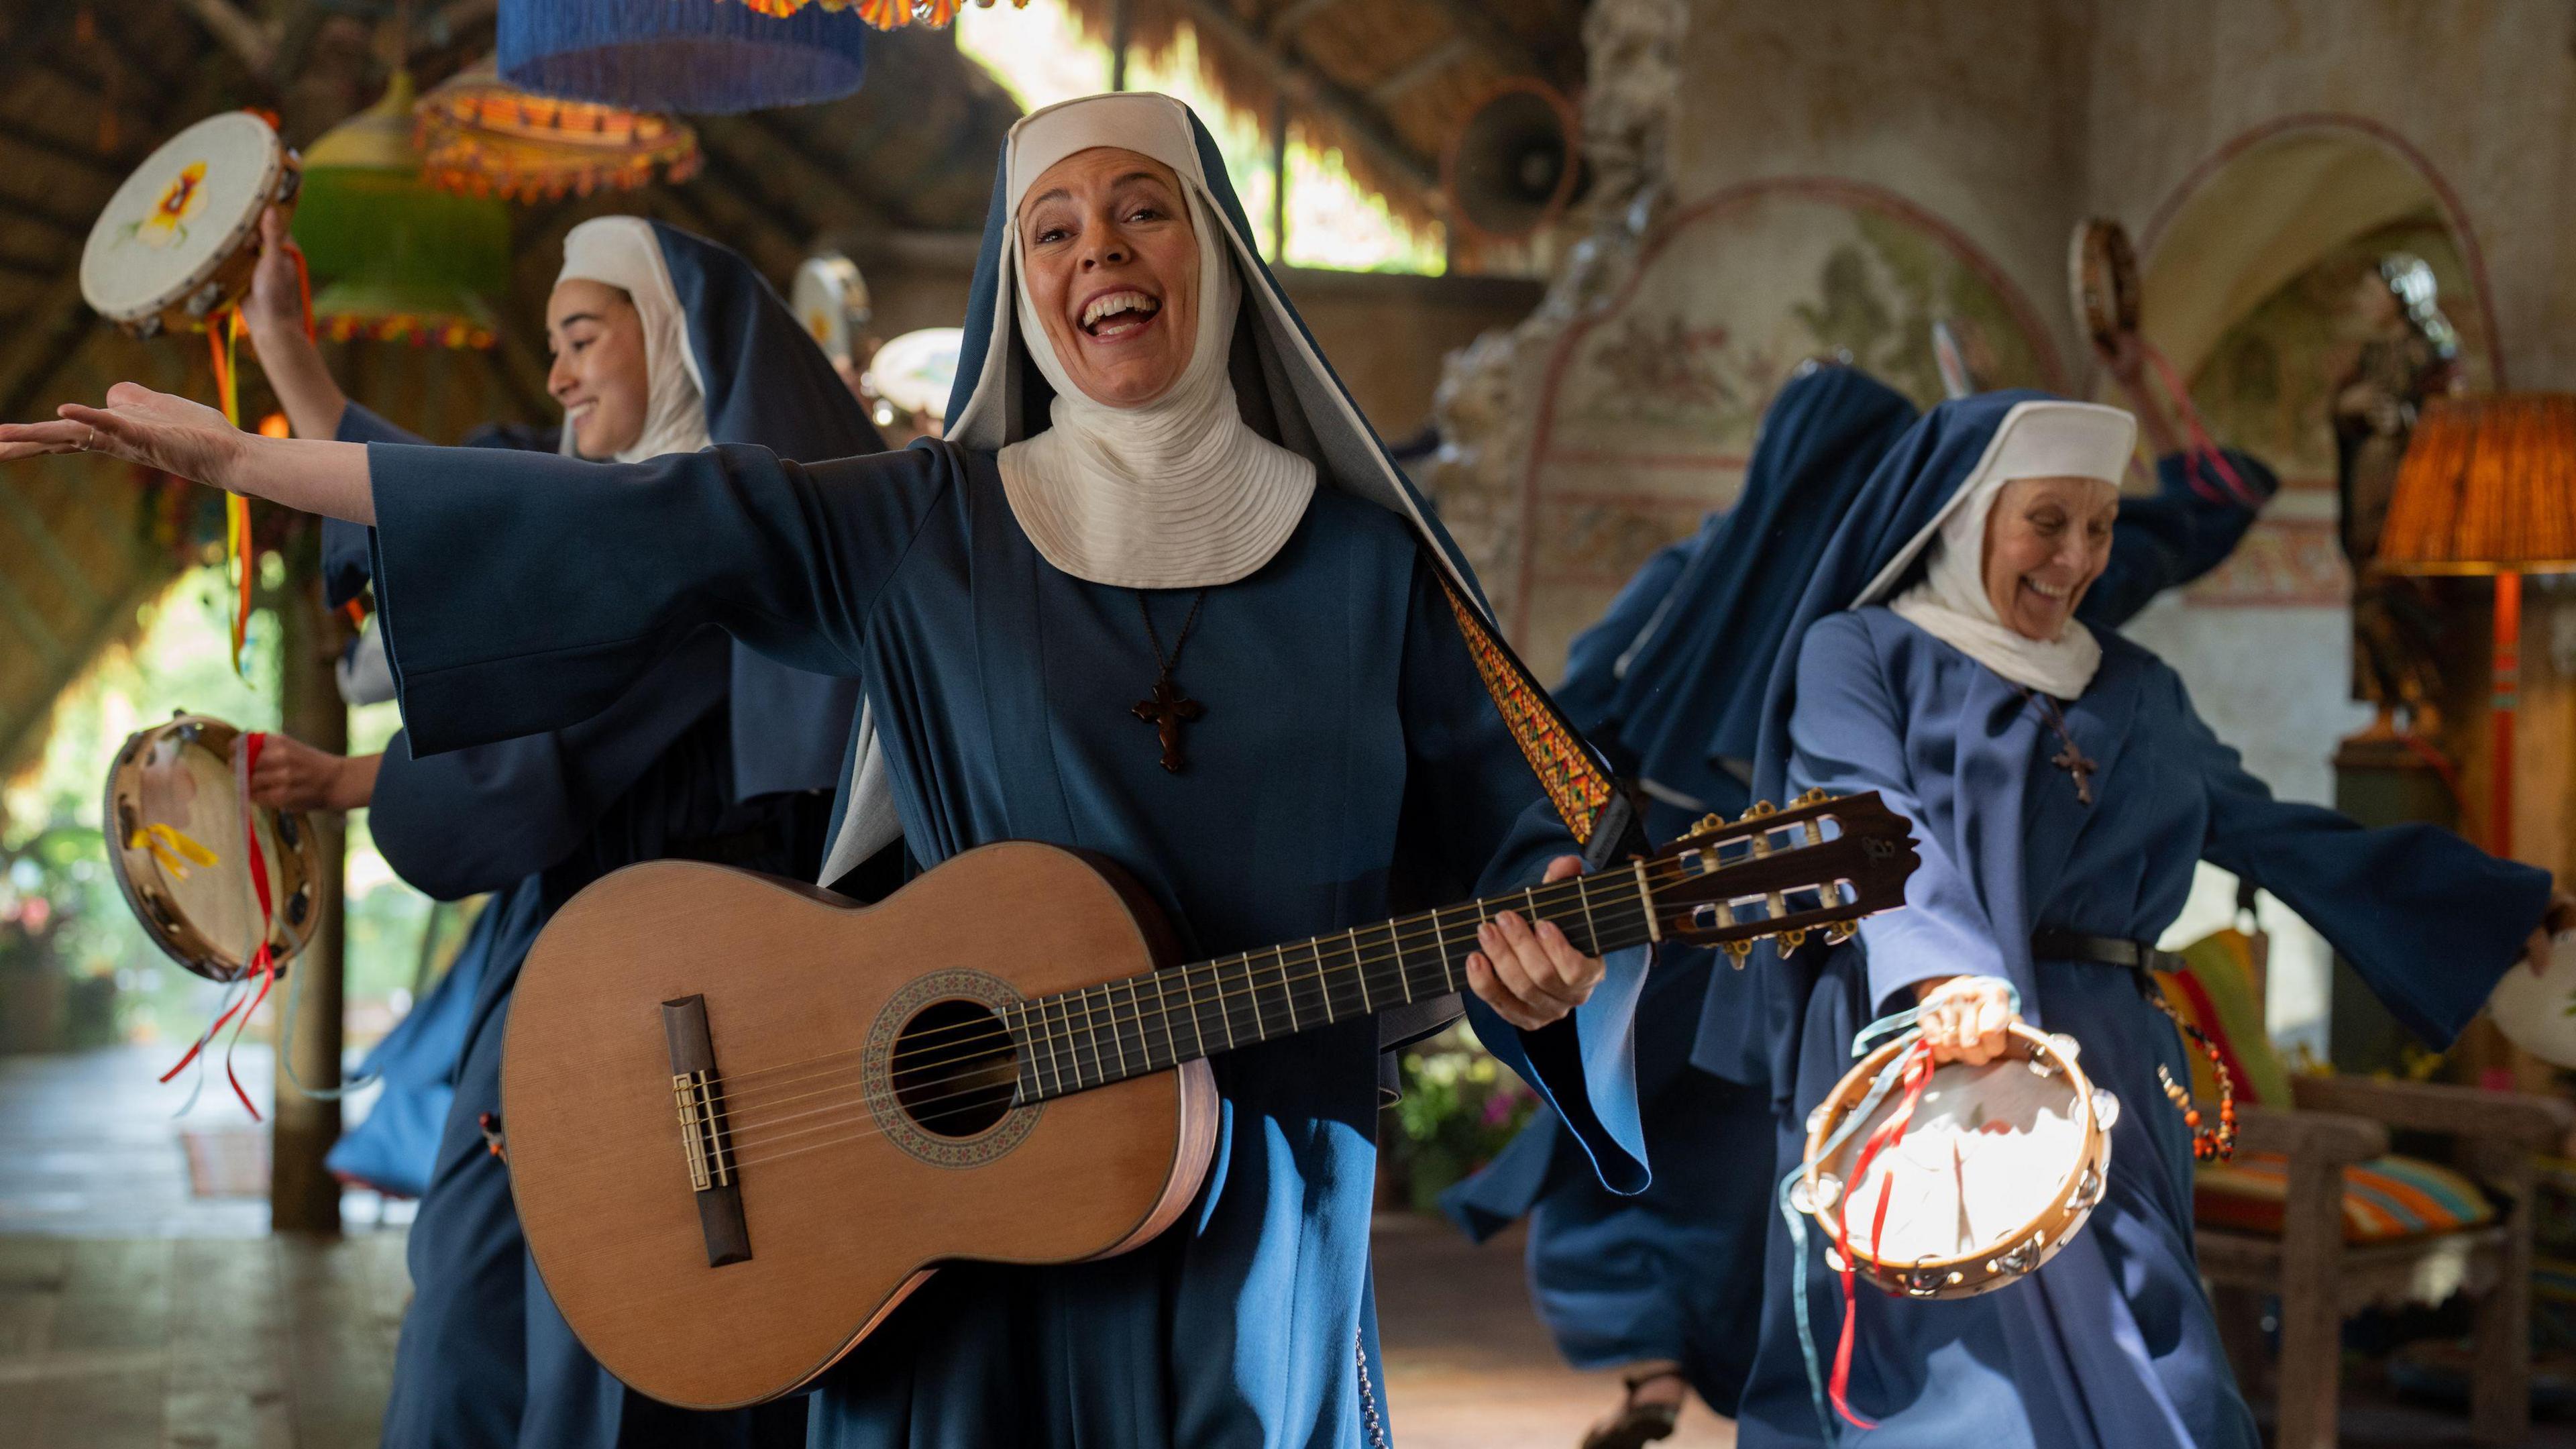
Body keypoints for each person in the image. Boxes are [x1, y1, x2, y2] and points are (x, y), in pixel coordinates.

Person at [11, 93, 1650, 1448]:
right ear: (1025, 285)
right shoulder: (924, 525)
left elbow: (1529, 831)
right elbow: (631, 523)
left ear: (1214, 251)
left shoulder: (1370, 568)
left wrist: (1543, 943)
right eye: (1052, 227)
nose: (1101, 252)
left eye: (1140, 211)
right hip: (955, 1229)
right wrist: (257, 456)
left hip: (1264, 1215)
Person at [1440, 364, 2280, 1448]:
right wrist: (2213, 468)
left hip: (1684, 917)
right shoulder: (1870, 626)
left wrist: (1584, 861)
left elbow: (1579, 712)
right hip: (1820, 931)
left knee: (1651, 1156)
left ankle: (1654, 1372)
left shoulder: (1697, 572)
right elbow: (2157, 541)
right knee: (1791, 1182)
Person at [1709, 391, 2569, 1448]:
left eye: (2103, 525)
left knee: (2161, 1384)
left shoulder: (2139, 686)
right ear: (1969, 512)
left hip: (2109, 1066)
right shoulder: (1860, 652)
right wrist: (1945, 979)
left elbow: (2273, 832)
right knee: (1959, 1401)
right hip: (1936, 1054)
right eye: (2047, 521)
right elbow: (1866, 816)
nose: (2076, 558)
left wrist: (2491, 910)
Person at [238, 211, 888, 1449]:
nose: (556, 374)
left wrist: (362, 782)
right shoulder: (618, 527)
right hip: (580, 956)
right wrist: (285, 348)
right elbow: (462, 519)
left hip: (688, 991)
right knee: (488, 1306)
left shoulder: (716, 540)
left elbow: (537, 755)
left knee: (604, 1326)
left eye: (583, 336)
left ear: (680, 342)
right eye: (552, 346)